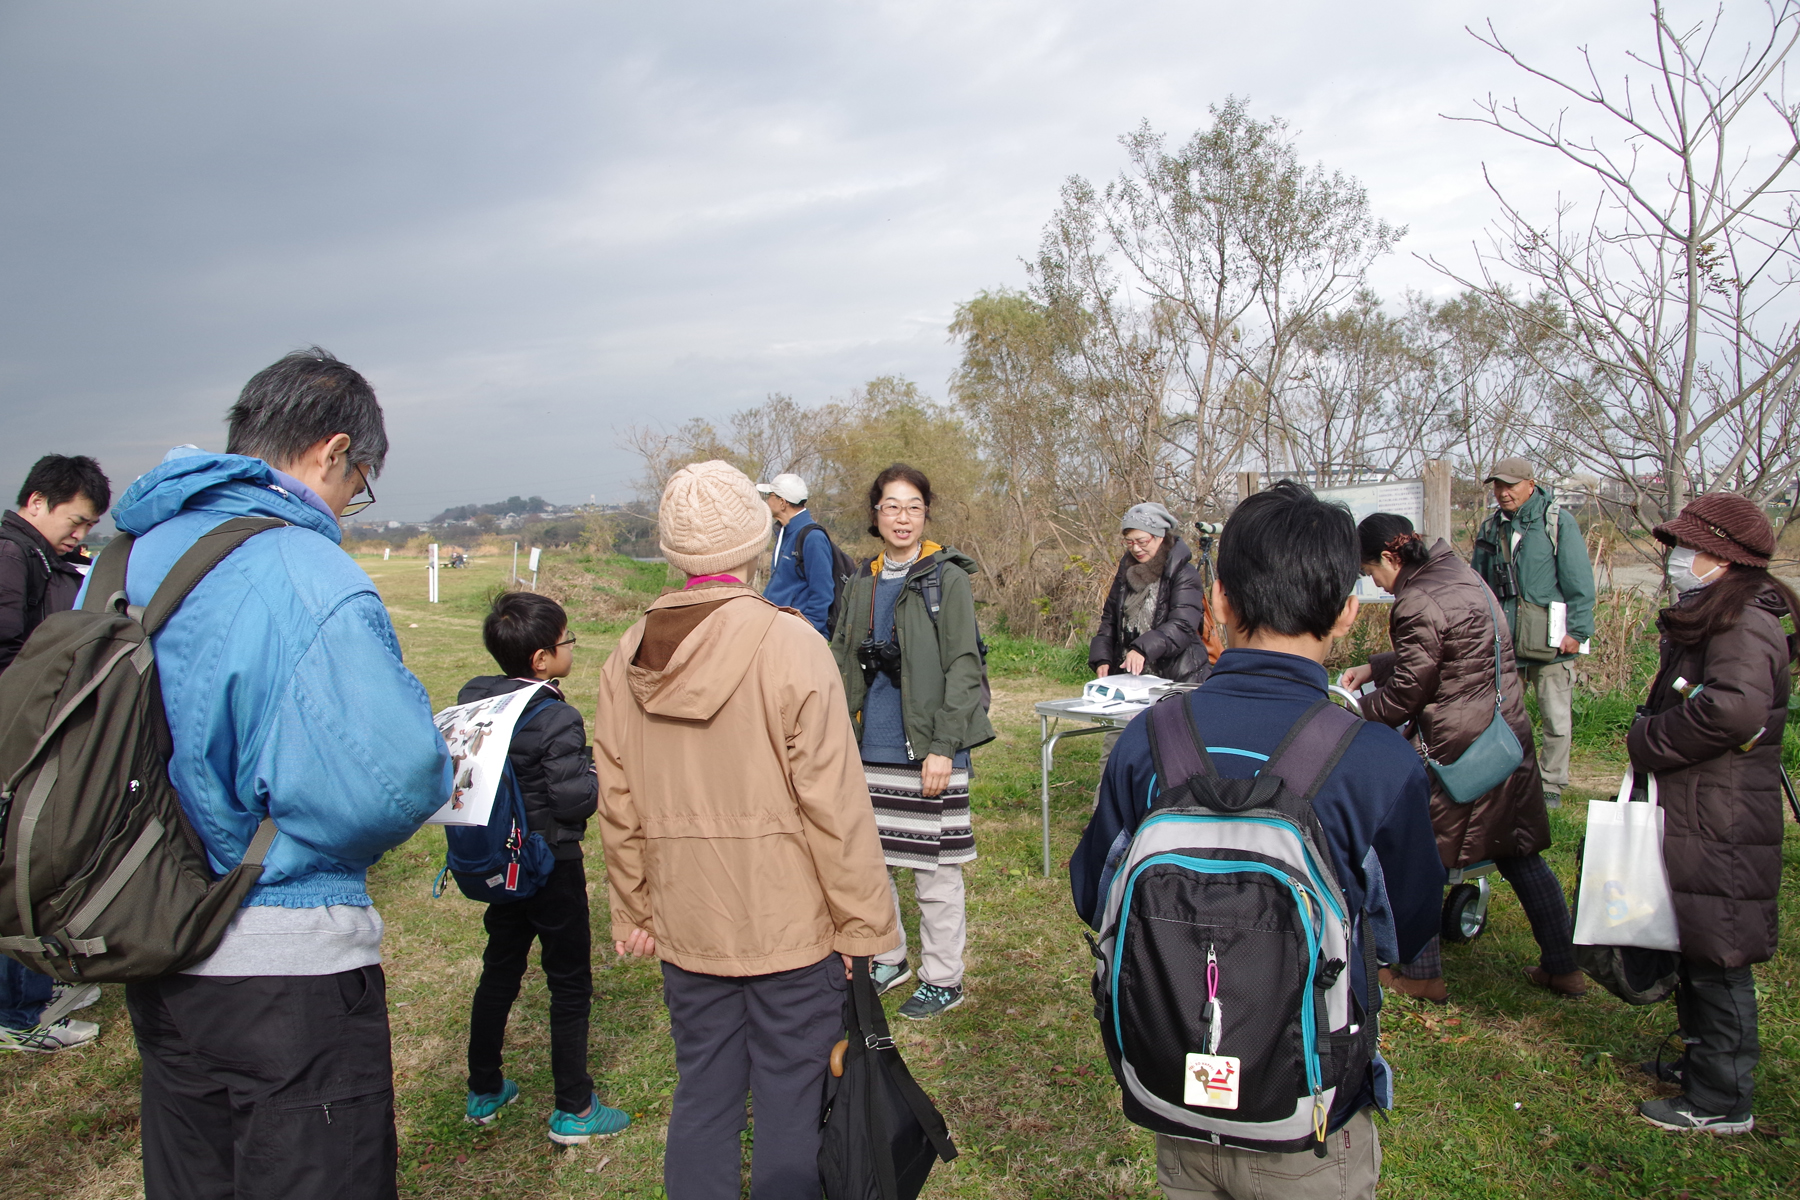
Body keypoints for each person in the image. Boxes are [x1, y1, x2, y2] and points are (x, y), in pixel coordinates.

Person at [107, 349, 451, 1200]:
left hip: (156, 937)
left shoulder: (128, 558)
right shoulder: (304, 571)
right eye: (357, 482)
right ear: (333, 453)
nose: (348, 505)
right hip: (280, 954)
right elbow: (393, 782)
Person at [1071, 481, 1444, 1200]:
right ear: (1346, 613)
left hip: (1176, 1098)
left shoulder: (1149, 742)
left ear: (1218, 600)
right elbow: (1410, 929)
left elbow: (1095, 894)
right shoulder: (1378, 762)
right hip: (1311, 1116)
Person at [598, 460, 897, 1200]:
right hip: (789, 927)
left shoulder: (626, 654)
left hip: (688, 921)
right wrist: (864, 928)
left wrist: (635, 906)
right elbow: (836, 806)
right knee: (793, 1102)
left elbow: (618, 800)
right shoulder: (790, 643)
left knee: (703, 1094)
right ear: (755, 541)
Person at [1341, 514, 1582, 1004]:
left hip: (1453, 746)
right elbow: (1453, 648)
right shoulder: (1456, 572)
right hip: (1501, 733)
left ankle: (1422, 972)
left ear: (1389, 558)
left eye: (1371, 572)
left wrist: (1352, 715)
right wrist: (1375, 665)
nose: (1376, 586)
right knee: (1519, 852)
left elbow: (1410, 689)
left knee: (1419, 853)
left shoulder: (1416, 599)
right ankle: (1564, 966)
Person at [1625, 493, 1798, 1135]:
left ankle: (1722, 1100)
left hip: (1722, 813)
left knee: (1720, 952)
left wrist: (1650, 739)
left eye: (1688, 548)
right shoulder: (1723, 612)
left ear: (1722, 556)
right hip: (1703, 804)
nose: (1677, 559)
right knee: (1700, 942)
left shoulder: (1745, 621)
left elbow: (1734, 710)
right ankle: (1704, 1063)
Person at [458, 591, 629, 1143]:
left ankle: (484, 1086)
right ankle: (575, 1107)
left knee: (500, 969)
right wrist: (598, 773)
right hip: (551, 864)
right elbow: (575, 801)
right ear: (541, 660)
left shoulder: (476, 701)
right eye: (566, 642)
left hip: (498, 863)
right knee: (569, 982)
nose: (570, 649)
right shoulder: (556, 715)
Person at [830, 463, 996, 1019]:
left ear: (926, 514)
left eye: (913, 507)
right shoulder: (861, 580)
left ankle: (944, 978)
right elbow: (838, 659)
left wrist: (944, 747)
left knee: (934, 868)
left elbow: (964, 667)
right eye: (891, 506)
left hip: (927, 747)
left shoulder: (945, 577)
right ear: (875, 515)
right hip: (867, 747)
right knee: (873, 865)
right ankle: (890, 957)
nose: (902, 517)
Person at [0, 453, 112, 1053]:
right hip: (22, 741)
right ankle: (22, 1014)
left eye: (88, 527)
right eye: (74, 521)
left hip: (27, 736)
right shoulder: (12, 554)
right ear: (36, 500)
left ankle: (33, 996)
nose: (79, 535)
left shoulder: (42, 557)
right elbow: (16, 656)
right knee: (28, 870)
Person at [1470, 457, 1596, 807]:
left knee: (1555, 717)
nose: (1502, 493)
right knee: (1505, 716)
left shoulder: (1556, 522)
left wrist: (1579, 632)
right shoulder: (1491, 527)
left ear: (1530, 484)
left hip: (1552, 641)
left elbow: (1580, 583)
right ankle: (1511, 779)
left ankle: (1552, 783)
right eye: (1497, 486)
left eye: (1509, 485)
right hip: (1507, 641)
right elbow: (1478, 585)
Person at [1089, 501, 1218, 684]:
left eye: (1142, 541)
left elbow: (1182, 625)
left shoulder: (1183, 573)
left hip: (1178, 676)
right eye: (1129, 542)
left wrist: (1143, 648)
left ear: (1160, 537)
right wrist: (1102, 657)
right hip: (1132, 679)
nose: (1135, 548)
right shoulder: (1125, 573)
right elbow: (1110, 620)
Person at [758, 472, 835, 635]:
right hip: (778, 629)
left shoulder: (813, 537)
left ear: (782, 502)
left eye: (770, 495)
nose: (766, 500)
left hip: (797, 635)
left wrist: (808, 632)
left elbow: (823, 593)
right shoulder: (785, 532)